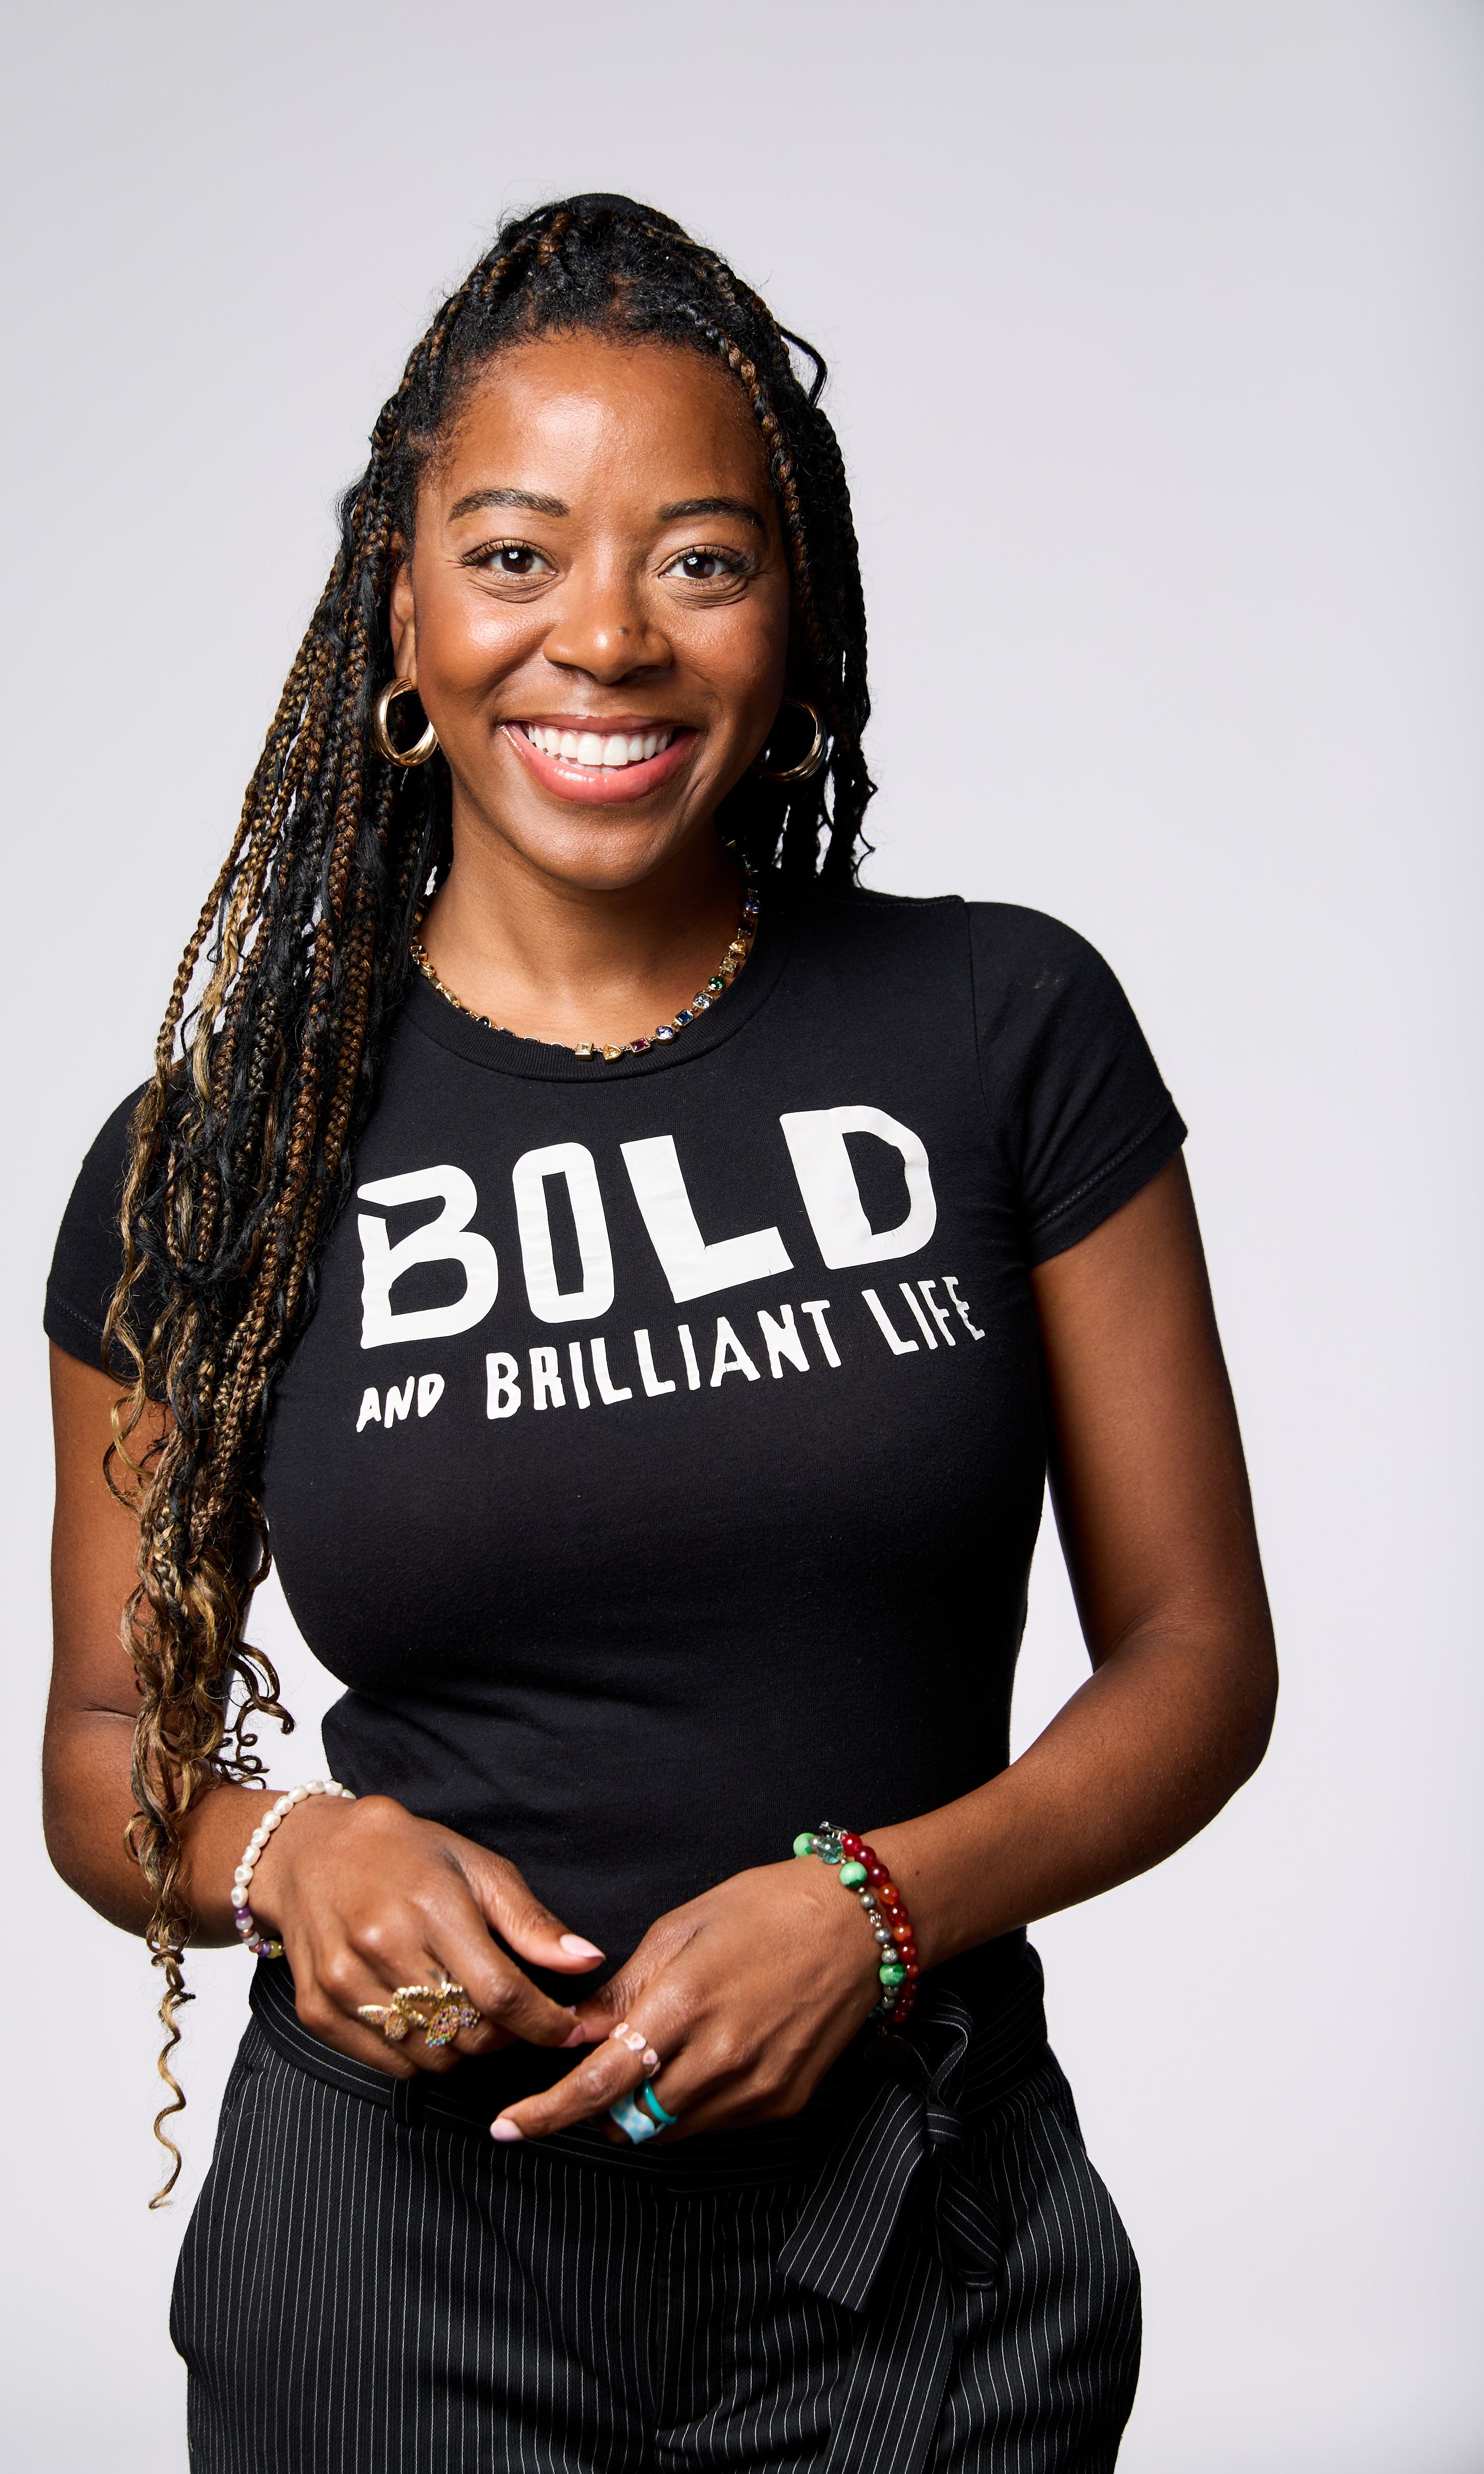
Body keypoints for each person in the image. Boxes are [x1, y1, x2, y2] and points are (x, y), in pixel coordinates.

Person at [43, 193, 1277, 2474]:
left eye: (700, 561)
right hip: (393, 2262)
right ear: (402, 614)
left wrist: (882, 1910)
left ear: (794, 623)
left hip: (912, 2237)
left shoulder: (1001, 1026)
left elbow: (1201, 1662)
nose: (601, 637)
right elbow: (109, 1747)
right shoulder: (213, 1160)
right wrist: (288, 1856)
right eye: (514, 556)